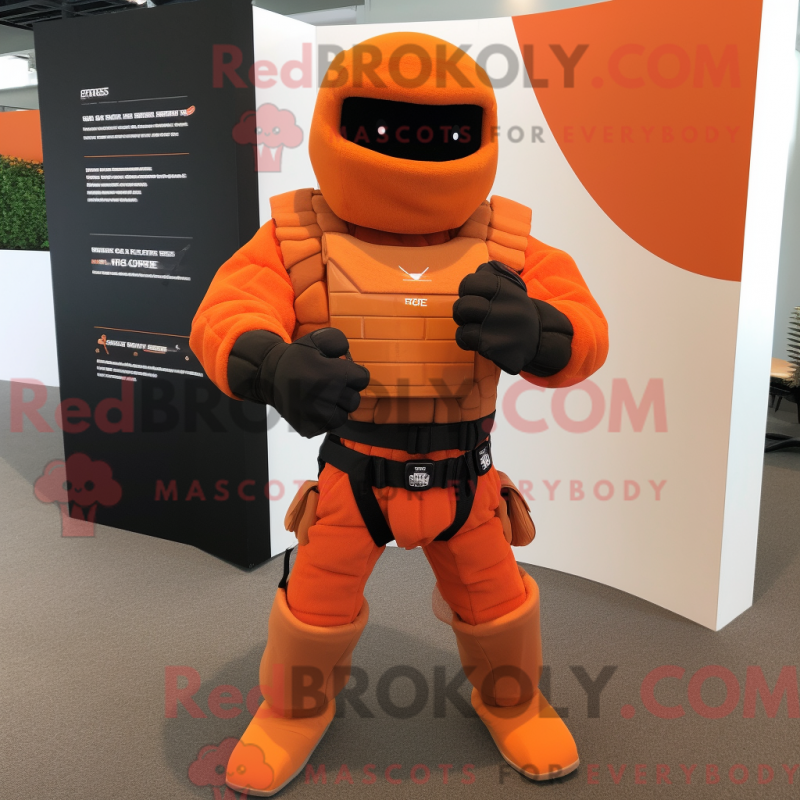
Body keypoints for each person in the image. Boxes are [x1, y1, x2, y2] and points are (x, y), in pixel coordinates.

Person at [190, 31, 608, 796]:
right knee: (315, 605)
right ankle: (292, 711)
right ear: (338, 120)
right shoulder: (292, 238)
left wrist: (541, 331)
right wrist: (273, 365)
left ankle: (513, 703)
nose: (411, 148)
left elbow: (587, 330)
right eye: (384, 128)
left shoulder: (511, 245)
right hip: (354, 475)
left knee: (497, 603)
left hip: (467, 479)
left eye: (441, 132)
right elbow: (224, 315)